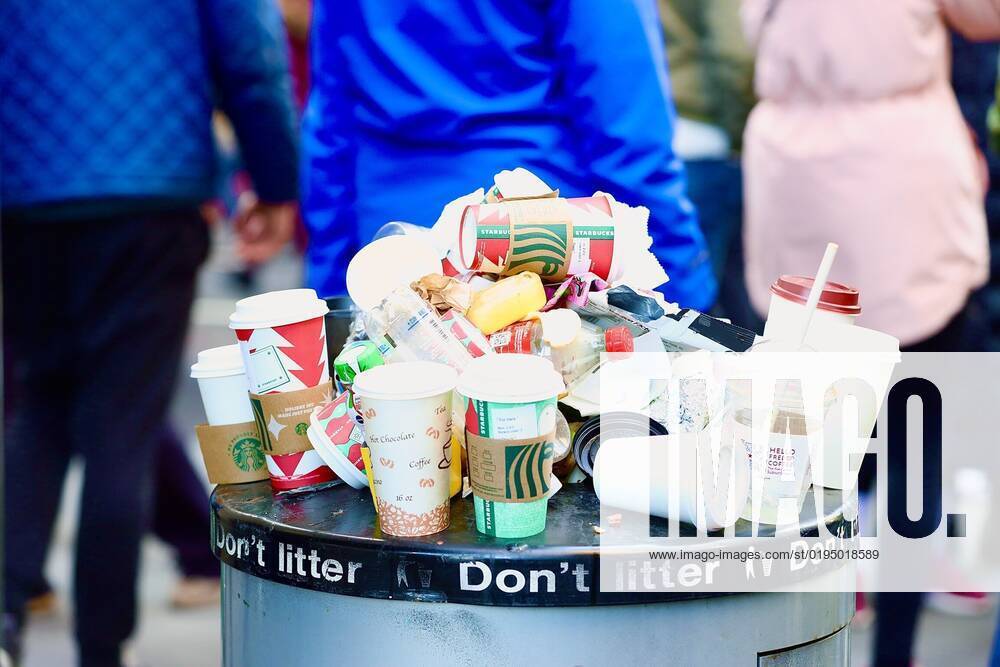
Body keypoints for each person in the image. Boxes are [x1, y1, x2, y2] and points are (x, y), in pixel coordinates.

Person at [0, 1, 299, 665]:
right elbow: (249, 57)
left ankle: (5, 612)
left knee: (40, 405)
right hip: (152, 196)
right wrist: (276, 182)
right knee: (121, 424)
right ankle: (100, 649)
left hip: (25, 196)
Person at [740, 1, 1000, 665]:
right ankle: (893, 650)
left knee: (809, 444)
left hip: (793, 187)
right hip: (903, 190)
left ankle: (803, 632)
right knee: (914, 446)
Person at [302, 0, 717, 311]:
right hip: (537, 261)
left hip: (394, 259)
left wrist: (331, 291)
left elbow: (330, 122)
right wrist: (683, 287)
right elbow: (627, 127)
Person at [660, 0, 761, 330]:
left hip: (670, 125)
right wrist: (744, 135)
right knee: (703, 312)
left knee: (708, 298)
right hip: (711, 138)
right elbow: (734, 54)